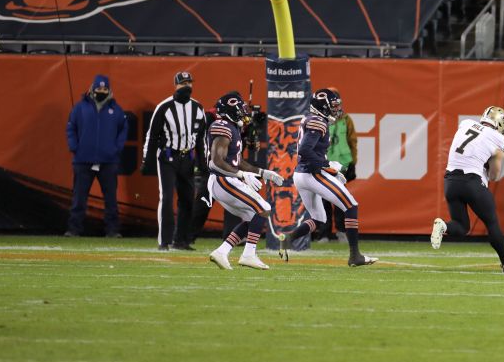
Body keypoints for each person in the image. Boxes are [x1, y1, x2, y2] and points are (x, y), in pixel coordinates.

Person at [276, 89, 378, 267]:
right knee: (351, 205)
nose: (337, 109)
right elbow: (305, 151)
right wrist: (326, 166)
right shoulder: (318, 122)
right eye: (334, 106)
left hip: (301, 174)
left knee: (318, 219)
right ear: (323, 106)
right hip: (311, 173)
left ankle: (288, 239)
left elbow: (309, 151)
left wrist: (327, 163)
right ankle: (355, 256)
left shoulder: (311, 118)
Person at [430, 106, 504, 274]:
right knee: (492, 223)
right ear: (500, 124)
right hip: (472, 182)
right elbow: (494, 176)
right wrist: (495, 159)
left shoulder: (465, 123)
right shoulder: (498, 139)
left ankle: (443, 226)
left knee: (461, 226)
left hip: (450, 182)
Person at [205, 92, 283, 271]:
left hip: (225, 179)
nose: (243, 114)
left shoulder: (232, 127)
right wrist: (240, 175)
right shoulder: (222, 125)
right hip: (223, 179)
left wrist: (262, 172)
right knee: (264, 208)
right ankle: (249, 254)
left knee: (252, 217)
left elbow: (236, 161)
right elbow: (215, 162)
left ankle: (222, 251)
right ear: (229, 111)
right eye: (239, 110)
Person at [142, 71, 207, 251]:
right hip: (167, 157)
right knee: (167, 198)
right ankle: (164, 241)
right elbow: (152, 135)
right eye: (183, 83)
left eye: (189, 83)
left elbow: (201, 138)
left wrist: (203, 162)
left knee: (187, 200)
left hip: (188, 157)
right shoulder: (164, 107)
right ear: (176, 85)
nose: (187, 86)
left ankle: (181, 240)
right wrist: (147, 160)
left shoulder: (198, 108)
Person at [65, 74, 127, 238]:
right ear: (92, 88)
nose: (101, 91)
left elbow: (123, 130)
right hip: (83, 160)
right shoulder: (80, 108)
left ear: (109, 90)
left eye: (104, 88)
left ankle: (112, 230)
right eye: (98, 88)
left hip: (108, 160)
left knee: (111, 200)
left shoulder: (116, 109)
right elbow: (71, 127)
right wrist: (75, 148)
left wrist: (116, 149)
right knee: (79, 198)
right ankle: (74, 229)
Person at [314, 88, 357, 244]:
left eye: (337, 104)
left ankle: (341, 231)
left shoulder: (346, 119)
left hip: (342, 164)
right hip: (324, 163)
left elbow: (352, 142)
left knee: (340, 199)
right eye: (333, 104)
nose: (336, 107)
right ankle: (324, 233)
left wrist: (353, 162)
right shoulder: (319, 119)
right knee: (324, 198)